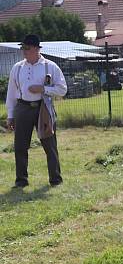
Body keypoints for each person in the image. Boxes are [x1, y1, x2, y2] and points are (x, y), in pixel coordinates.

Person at [5, 34, 68, 188]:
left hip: (43, 108)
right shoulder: (17, 67)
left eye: (26, 48)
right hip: (22, 107)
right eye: (22, 48)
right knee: (20, 146)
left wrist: (43, 89)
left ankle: (55, 179)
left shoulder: (51, 66)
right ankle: (21, 180)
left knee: (49, 145)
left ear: (36, 48)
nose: (23, 51)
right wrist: (10, 115)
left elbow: (62, 89)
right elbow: (11, 93)